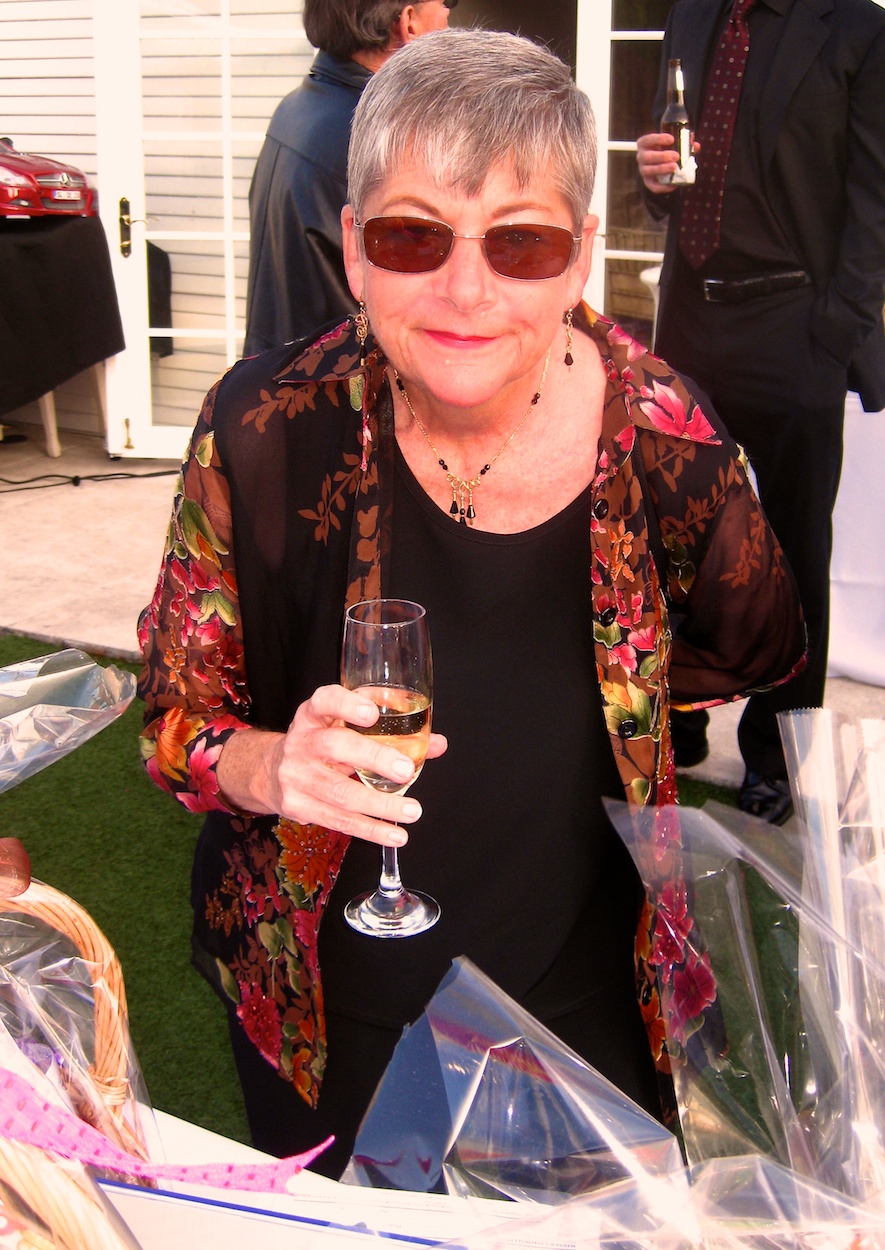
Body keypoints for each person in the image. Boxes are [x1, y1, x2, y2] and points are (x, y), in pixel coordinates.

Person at [138, 28, 805, 1178]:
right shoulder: (262, 427)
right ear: (355, 247)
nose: (464, 290)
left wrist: (625, 689)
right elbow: (170, 714)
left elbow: (760, 644)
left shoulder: (669, 444)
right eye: (412, 235)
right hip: (321, 997)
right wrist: (268, 763)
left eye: (521, 240)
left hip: (584, 995)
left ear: (581, 256)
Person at [636, 0, 885, 823]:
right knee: (675, 539)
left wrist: (834, 333)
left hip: (793, 326)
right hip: (691, 318)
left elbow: (873, 202)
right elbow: (677, 169)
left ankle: (776, 754)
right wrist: (654, 180)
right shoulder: (691, 13)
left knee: (790, 551)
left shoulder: (855, 29)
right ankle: (677, 724)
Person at [243, 0, 456, 357]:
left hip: (286, 368)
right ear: (409, 22)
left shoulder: (296, 108)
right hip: (339, 376)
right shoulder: (385, 142)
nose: (449, 17)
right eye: (446, 2)